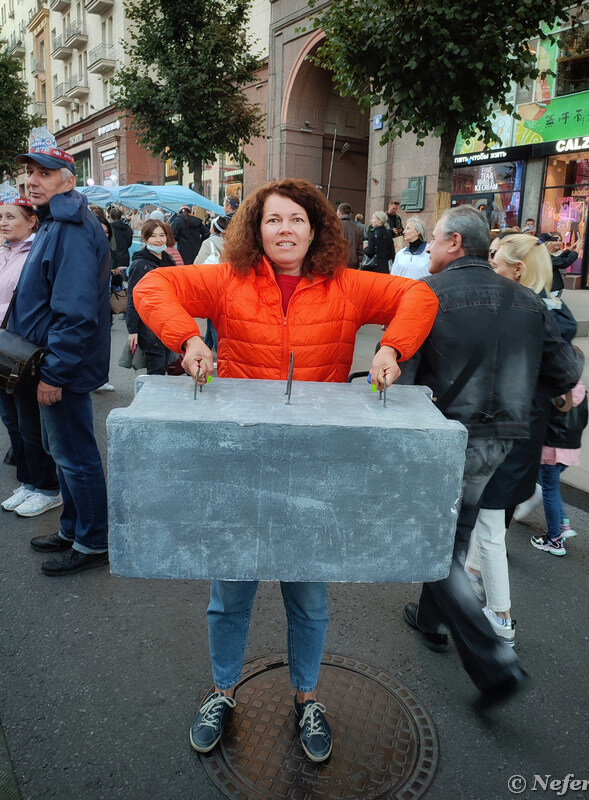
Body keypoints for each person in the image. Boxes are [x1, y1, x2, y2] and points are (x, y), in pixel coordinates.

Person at [133, 177, 439, 762]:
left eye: (297, 219)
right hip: (241, 464)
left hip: (315, 468)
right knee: (230, 594)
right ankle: (223, 690)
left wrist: (390, 348)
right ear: (256, 227)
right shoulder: (228, 281)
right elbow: (153, 284)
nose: (285, 230)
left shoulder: (347, 287)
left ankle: (307, 697)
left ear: (316, 227)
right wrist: (187, 340)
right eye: (274, 220)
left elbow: (419, 298)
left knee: (309, 597)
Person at [399, 206, 581, 708]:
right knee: (453, 534)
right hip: (505, 439)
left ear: (456, 242)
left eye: (434, 239)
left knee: (431, 542)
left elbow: (404, 374)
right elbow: (564, 371)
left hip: (446, 433)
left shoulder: (428, 296)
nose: (429, 247)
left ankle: (491, 658)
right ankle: (432, 619)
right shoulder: (527, 300)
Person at [464, 234, 577, 646]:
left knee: (491, 525)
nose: (490, 268)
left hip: (506, 432)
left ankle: (501, 616)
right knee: (491, 520)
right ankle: (472, 579)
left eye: (496, 263)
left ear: (518, 270)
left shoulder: (525, 310)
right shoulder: (544, 309)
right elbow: (564, 373)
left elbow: (564, 372)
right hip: (521, 432)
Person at [9, 126, 111, 576]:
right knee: (64, 451)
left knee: (75, 455)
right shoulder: (55, 219)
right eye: (28, 171)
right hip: (50, 362)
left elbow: (74, 313)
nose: (32, 179)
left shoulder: (69, 226)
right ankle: (73, 528)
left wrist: (54, 373)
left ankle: (92, 541)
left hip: (59, 367)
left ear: (67, 180)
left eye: (44, 172)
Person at [0, 183, 62, 517]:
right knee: (11, 421)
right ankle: (27, 482)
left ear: (31, 222)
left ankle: (47, 488)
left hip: (20, 350)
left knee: (30, 423)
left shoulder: (34, 254)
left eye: (10, 216)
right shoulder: (4, 251)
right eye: (0, 217)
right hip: (2, 348)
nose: (3, 223)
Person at [532, 378, 588, 556]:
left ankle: (554, 540)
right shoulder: (581, 388)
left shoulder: (553, 389)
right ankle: (563, 523)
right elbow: (583, 420)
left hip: (551, 450)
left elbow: (540, 420)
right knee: (551, 487)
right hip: (570, 448)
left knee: (549, 490)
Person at [126, 220, 176, 375]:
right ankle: (152, 399)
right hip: (149, 326)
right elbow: (132, 298)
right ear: (145, 239)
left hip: (167, 323)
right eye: (153, 236)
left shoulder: (169, 261)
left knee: (165, 365)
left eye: (162, 235)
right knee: (156, 369)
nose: (158, 239)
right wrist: (132, 330)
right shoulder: (141, 264)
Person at [193, 215, 231, 353]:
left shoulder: (208, 243)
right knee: (214, 320)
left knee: (213, 320)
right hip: (228, 287)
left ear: (214, 228)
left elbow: (197, 265)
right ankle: (206, 349)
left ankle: (218, 353)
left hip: (211, 287)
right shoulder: (233, 244)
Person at [336, 202, 363, 269]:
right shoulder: (357, 228)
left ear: (339, 212)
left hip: (337, 264)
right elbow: (360, 251)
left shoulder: (335, 226)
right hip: (353, 265)